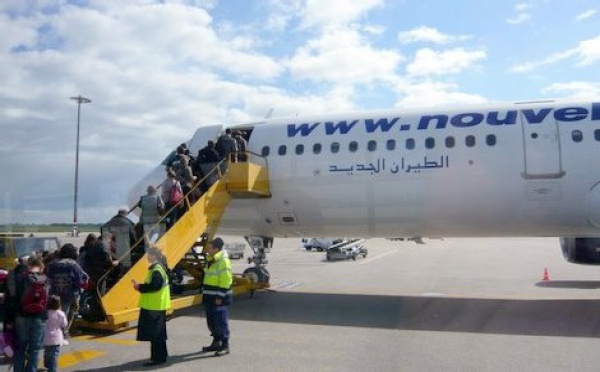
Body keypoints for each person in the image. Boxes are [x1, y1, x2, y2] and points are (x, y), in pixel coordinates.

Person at [132, 247, 171, 366]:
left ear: (154, 256)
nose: (147, 257)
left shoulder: (157, 270)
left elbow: (155, 286)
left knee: (155, 334)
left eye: (148, 255)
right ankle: (161, 356)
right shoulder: (159, 268)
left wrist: (140, 287)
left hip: (154, 306)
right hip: (157, 305)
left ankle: (156, 358)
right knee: (159, 334)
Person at [45, 243, 88, 337]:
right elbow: (80, 278)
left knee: (54, 312)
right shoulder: (73, 264)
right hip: (69, 293)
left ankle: (55, 331)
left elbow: (47, 278)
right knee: (69, 311)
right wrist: (79, 289)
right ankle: (64, 331)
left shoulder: (52, 264)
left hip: (54, 293)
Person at [14, 255, 48, 372]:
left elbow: (14, 298)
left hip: (21, 316)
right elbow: (47, 300)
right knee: (34, 349)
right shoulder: (45, 280)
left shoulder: (20, 278)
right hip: (39, 317)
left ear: (29, 266)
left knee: (20, 348)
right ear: (40, 266)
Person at [201, 237, 233, 355]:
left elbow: (226, 281)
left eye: (209, 248)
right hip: (210, 297)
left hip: (218, 298)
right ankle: (216, 342)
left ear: (216, 249)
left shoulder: (223, 261)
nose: (207, 249)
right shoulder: (211, 260)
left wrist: (220, 297)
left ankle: (225, 345)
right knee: (212, 322)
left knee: (220, 321)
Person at [43, 295, 67, 372]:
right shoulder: (61, 313)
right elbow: (64, 324)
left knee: (47, 351)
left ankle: (47, 364)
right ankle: (52, 369)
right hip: (56, 337)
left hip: (46, 336)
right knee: (54, 354)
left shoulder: (45, 313)